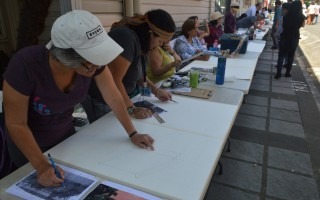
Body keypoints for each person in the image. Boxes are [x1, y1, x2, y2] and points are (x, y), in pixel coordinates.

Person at [3, 10, 155, 187]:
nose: (99, 66)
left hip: (66, 139)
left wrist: (133, 133)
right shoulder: (25, 65)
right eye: (93, 60)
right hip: (29, 147)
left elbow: (113, 96)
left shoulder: (91, 64)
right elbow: (16, 123)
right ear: (66, 56)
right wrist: (41, 165)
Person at [83, 9, 175, 123]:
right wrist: (131, 109)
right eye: (160, 41)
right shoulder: (127, 39)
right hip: (104, 100)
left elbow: (136, 72)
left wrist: (155, 90)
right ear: (150, 33)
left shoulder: (138, 39)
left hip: (122, 98)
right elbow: (114, 80)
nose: (159, 46)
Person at [274, 1, 305, 79]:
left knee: (281, 55)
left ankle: (278, 74)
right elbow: (303, 25)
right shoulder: (301, 16)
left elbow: (283, 25)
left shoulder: (286, 15)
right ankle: (287, 73)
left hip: (285, 36)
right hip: (294, 37)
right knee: (291, 56)